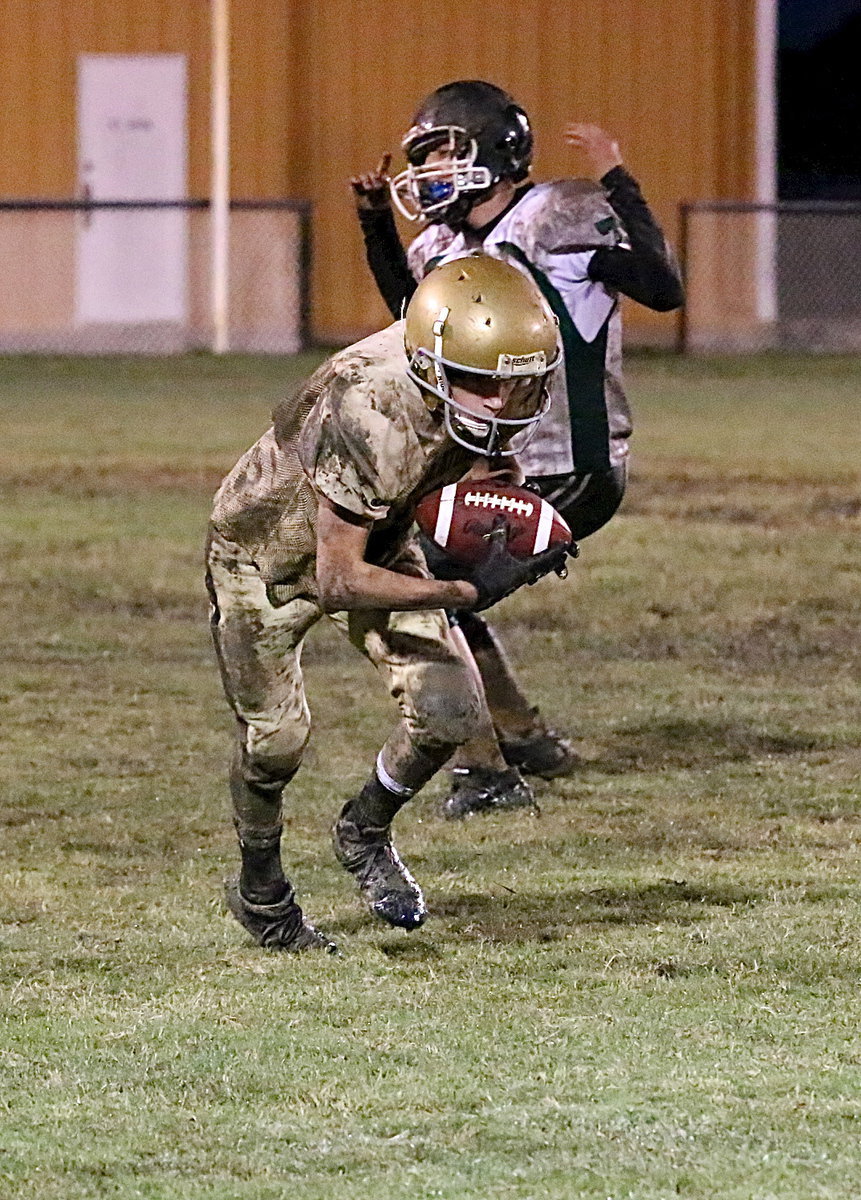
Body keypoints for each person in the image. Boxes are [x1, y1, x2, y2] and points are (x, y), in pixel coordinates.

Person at [206, 253, 570, 953]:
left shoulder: (483, 373)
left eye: (518, 383)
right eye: (484, 386)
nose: (505, 402)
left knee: (448, 715)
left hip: (378, 533)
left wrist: (516, 518)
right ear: (435, 365)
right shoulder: (366, 408)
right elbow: (336, 578)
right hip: (265, 559)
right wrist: (465, 588)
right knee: (276, 742)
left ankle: (363, 831)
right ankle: (261, 891)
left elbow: (491, 462)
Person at [351, 80, 684, 819]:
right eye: (425, 155)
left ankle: (486, 771)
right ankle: (521, 737)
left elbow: (661, 288)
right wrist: (376, 224)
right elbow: (410, 316)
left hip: (570, 468)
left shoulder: (555, 220)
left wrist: (617, 180)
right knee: (423, 581)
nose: (431, 169)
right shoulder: (443, 244)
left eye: (445, 150)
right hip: (498, 467)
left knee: (421, 592)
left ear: (495, 152)